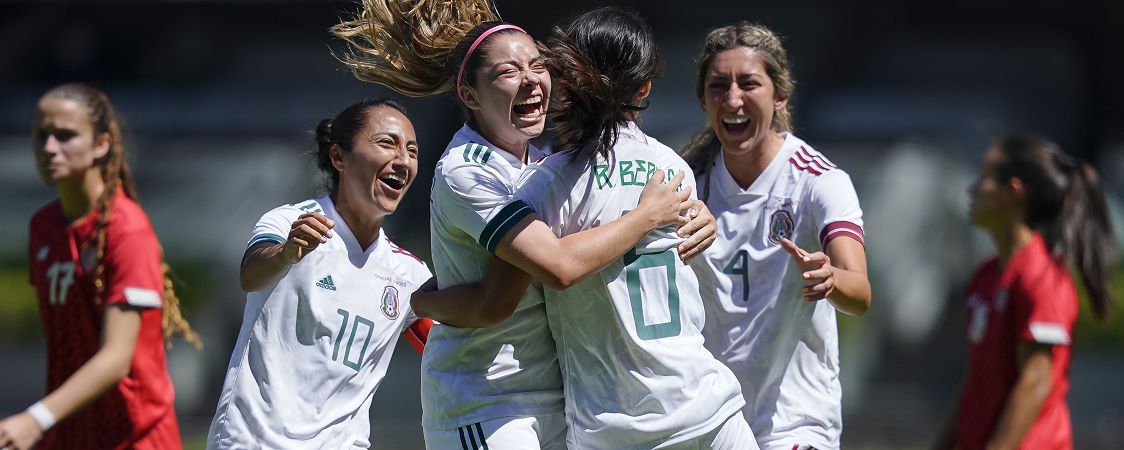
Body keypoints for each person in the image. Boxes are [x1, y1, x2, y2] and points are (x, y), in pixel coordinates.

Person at [333, 1, 715, 447]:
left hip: (559, 396)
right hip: (488, 400)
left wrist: (694, 215)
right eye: (509, 72)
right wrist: (648, 216)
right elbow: (544, 274)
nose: (532, 80)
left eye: (538, 65)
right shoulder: (466, 171)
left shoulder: (544, 164)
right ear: (471, 96)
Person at [680, 23, 872, 450]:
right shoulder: (686, 185)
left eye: (749, 83)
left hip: (795, 425)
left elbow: (859, 292)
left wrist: (830, 279)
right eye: (718, 86)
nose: (733, 100)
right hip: (713, 424)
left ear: (779, 96)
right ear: (702, 99)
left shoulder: (817, 181)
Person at [205, 98, 434, 448]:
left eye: (413, 150)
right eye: (387, 143)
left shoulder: (409, 274)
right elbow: (251, 276)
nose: (403, 159)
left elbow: (442, 346)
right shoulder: (288, 223)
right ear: (339, 157)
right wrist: (286, 254)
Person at [0, 83, 198, 450]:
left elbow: (116, 358)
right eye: (41, 135)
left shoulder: (127, 228)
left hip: (134, 436)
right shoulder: (43, 227)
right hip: (71, 433)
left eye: (65, 136)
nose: (49, 148)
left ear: (101, 144)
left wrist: (36, 418)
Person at [932, 136, 1115, 450]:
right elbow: (975, 382)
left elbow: (1036, 381)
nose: (972, 189)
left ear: (1013, 192)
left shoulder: (1043, 276)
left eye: (984, 178)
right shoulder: (987, 276)